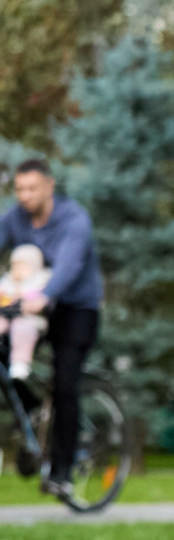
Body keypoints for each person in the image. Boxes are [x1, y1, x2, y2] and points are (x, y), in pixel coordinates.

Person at [1, 159, 103, 498]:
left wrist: (45, 295)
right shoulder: (15, 217)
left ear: (49, 186)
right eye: (20, 189)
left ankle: (62, 472)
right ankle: (30, 408)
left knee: (65, 383)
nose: (25, 196)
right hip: (32, 304)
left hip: (76, 307)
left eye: (32, 188)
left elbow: (70, 264)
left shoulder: (74, 220)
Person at [4, 244, 48, 381]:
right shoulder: (8, 281)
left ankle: (20, 363)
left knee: (22, 329)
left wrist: (20, 296)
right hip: (6, 317)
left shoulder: (40, 282)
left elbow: (37, 303)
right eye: (16, 266)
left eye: (23, 267)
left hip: (27, 320)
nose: (18, 271)